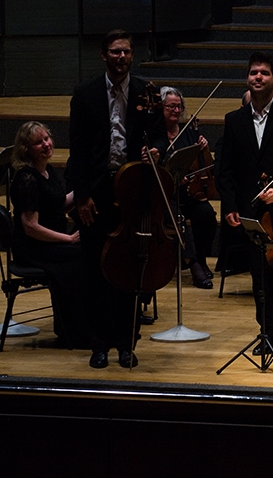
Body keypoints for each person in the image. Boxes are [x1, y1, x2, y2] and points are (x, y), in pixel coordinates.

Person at [69, 29, 168, 369]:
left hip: (134, 192)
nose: (122, 57)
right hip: (97, 194)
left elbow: (160, 137)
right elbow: (78, 151)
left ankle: (126, 344)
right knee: (95, 271)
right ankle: (99, 346)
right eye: (115, 52)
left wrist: (156, 148)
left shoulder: (146, 92)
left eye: (126, 52)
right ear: (103, 55)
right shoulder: (85, 95)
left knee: (130, 273)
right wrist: (81, 196)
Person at [217, 51, 273, 354]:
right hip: (251, 212)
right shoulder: (234, 120)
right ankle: (267, 332)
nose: (258, 77)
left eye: (264, 73)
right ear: (247, 78)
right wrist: (229, 205)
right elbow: (225, 168)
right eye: (254, 72)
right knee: (260, 278)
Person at [9, 121, 90, 349]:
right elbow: (30, 227)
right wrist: (69, 239)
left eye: (46, 139)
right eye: (38, 142)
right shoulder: (27, 178)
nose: (46, 145)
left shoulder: (47, 171)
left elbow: (58, 204)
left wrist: (87, 186)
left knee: (89, 247)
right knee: (79, 255)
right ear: (27, 149)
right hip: (33, 248)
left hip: (49, 242)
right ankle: (73, 332)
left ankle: (80, 327)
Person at [160, 86, 218, 289]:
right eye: (170, 107)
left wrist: (203, 148)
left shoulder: (188, 133)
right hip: (166, 197)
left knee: (207, 215)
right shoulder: (155, 135)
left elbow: (202, 165)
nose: (176, 111)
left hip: (189, 193)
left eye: (179, 106)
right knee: (178, 220)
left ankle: (201, 258)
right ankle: (194, 266)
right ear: (161, 107)